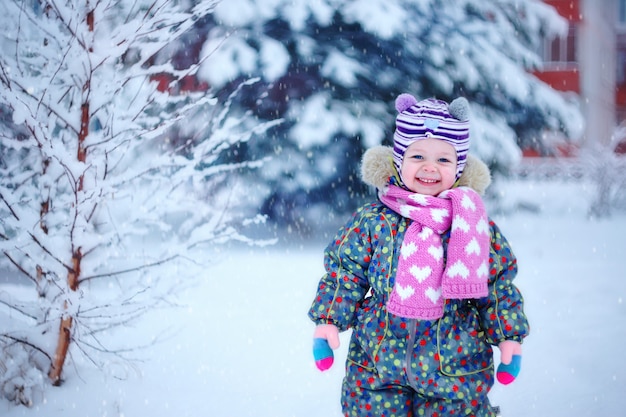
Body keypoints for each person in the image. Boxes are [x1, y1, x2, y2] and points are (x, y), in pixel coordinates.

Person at [308, 94, 529, 417]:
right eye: (418, 156)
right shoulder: (376, 219)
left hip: (455, 365)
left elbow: (497, 284)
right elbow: (346, 271)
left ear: (459, 168)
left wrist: (508, 335)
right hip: (377, 361)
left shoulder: (471, 222)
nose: (430, 167)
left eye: (443, 160)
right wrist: (328, 320)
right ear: (399, 161)